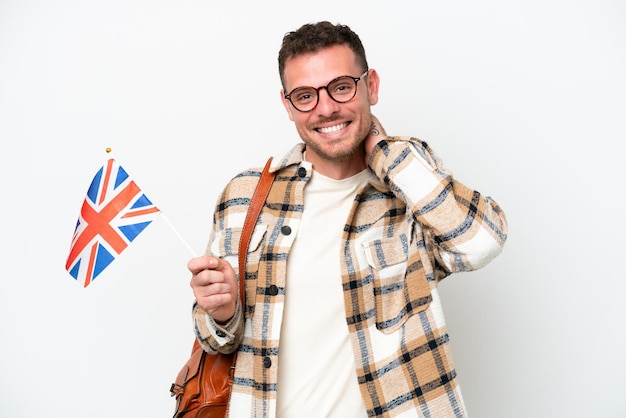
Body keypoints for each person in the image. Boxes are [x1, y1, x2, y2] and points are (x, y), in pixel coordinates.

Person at [187, 21, 507, 417]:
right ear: (287, 105)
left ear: (370, 85)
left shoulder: (408, 190)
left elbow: (480, 244)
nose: (325, 108)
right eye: (305, 95)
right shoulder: (245, 197)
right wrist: (221, 312)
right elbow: (217, 342)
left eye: (341, 87)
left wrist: (385, 151)